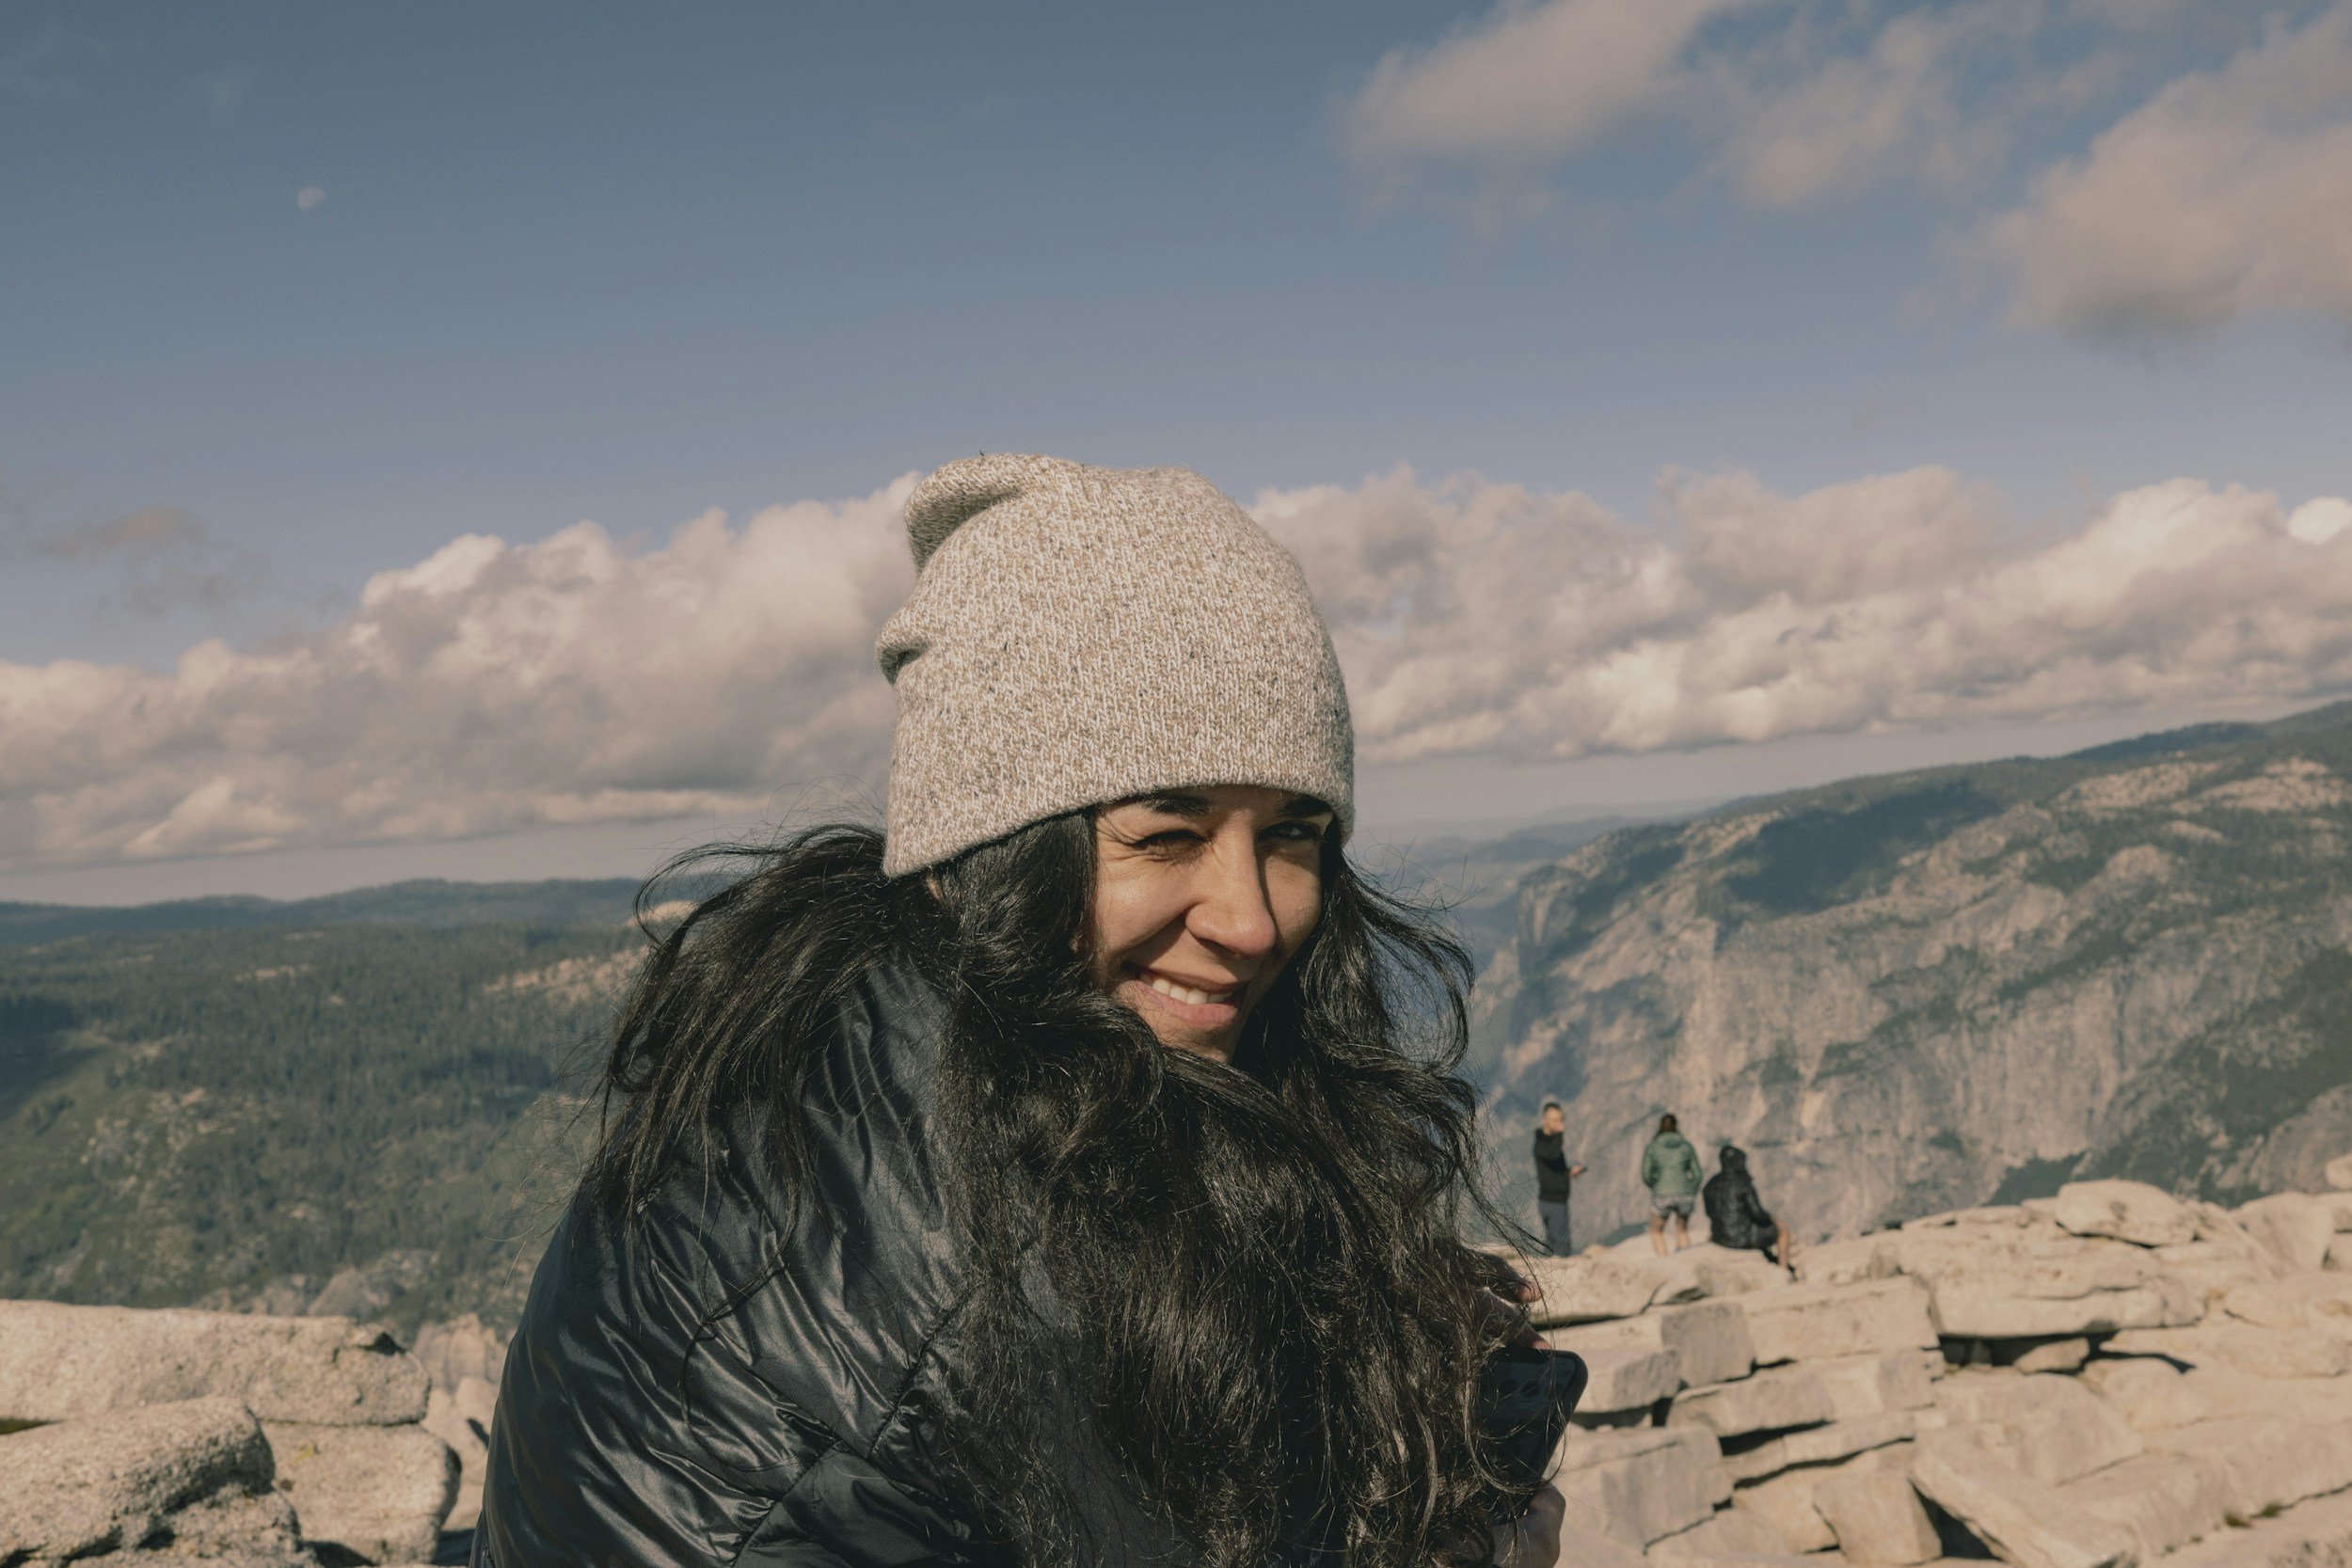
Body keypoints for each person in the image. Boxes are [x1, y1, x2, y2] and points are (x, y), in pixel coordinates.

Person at [475, 454, 1565, 1568]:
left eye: (1291, 833)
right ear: (986, 850)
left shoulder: (860, 1056)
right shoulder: (1004, 1270)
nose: (1249, 918)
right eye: (1165, 833)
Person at [1704, 1145, 1798, 1278]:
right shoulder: (1743, 1182)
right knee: (1782, 1229)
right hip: (1742, 1238)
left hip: (1719, 1237)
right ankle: (1784, 1271)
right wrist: (1773, 1218)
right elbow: (1757, 1213)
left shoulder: (1711, 1183)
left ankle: (1772, 1260)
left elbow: (1709, 1213)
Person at [1640, 1113, 1703, 1256]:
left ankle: (1664, 1261)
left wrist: (1656, 1186)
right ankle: (1686, 1260)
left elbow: (1646, 1174)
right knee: (1682, 1230)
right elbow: (1697, 1174)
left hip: (1662, 1194)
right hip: (1685, 1194)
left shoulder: (1652, 1147)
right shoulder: (1687, 1146)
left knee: (1656, 1231)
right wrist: (1691, 1188)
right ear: (1676, 1126)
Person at [1530, 1101, 1585, 1256]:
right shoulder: (1541, 1143)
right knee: (1562, 1244)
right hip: (1553, 1201)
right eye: (1555, 1120)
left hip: (1553, 1199)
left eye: (1561, 1120)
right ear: (1544, 1121)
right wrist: (1560, 1134)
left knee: (1552, 1243)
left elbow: (1553, 1166)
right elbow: (1552, 1154)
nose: (1560, 1124)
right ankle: (1564, 1276)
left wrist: (1569, 1172)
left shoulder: (1548, 1142)